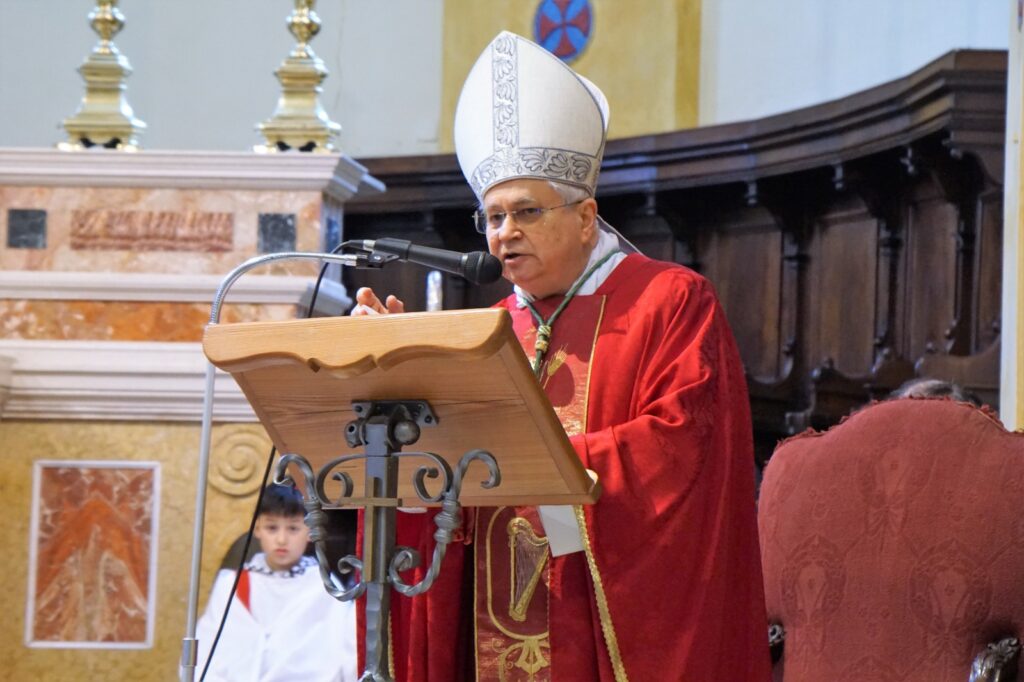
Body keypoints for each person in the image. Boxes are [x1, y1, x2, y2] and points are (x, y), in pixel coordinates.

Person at [353, 31, 770, 681]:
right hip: (488, 626)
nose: (504, 233)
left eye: (525, 211)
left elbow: (682, 453)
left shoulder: (668, 301)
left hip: (599, 622)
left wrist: (536, 467)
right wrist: (400, 376)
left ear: (585, 216)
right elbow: (444, 484)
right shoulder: (489, 329)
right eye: (492, 217)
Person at [194, 484, 357, 682]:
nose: (281, 539)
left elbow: (348, 656)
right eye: (272, 528)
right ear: (257, 528)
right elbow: (204, 654)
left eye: (293, 528)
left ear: (311, 531)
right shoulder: (231, 585)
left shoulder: (326, 589)